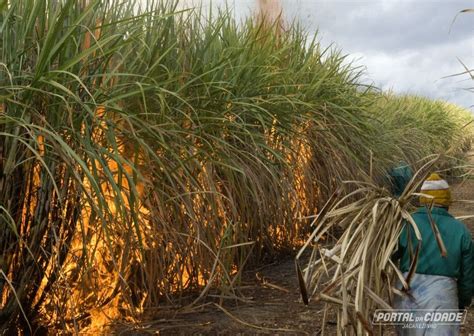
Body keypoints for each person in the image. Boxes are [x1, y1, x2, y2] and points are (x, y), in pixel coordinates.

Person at [393, 173, 473, 335]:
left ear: (422, 199)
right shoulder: (461, 231)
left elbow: (388, 256)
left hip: (407, 294)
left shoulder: (406, 224)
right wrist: (462, 301)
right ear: (447, 202)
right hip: (442, 298)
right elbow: (468, 277)